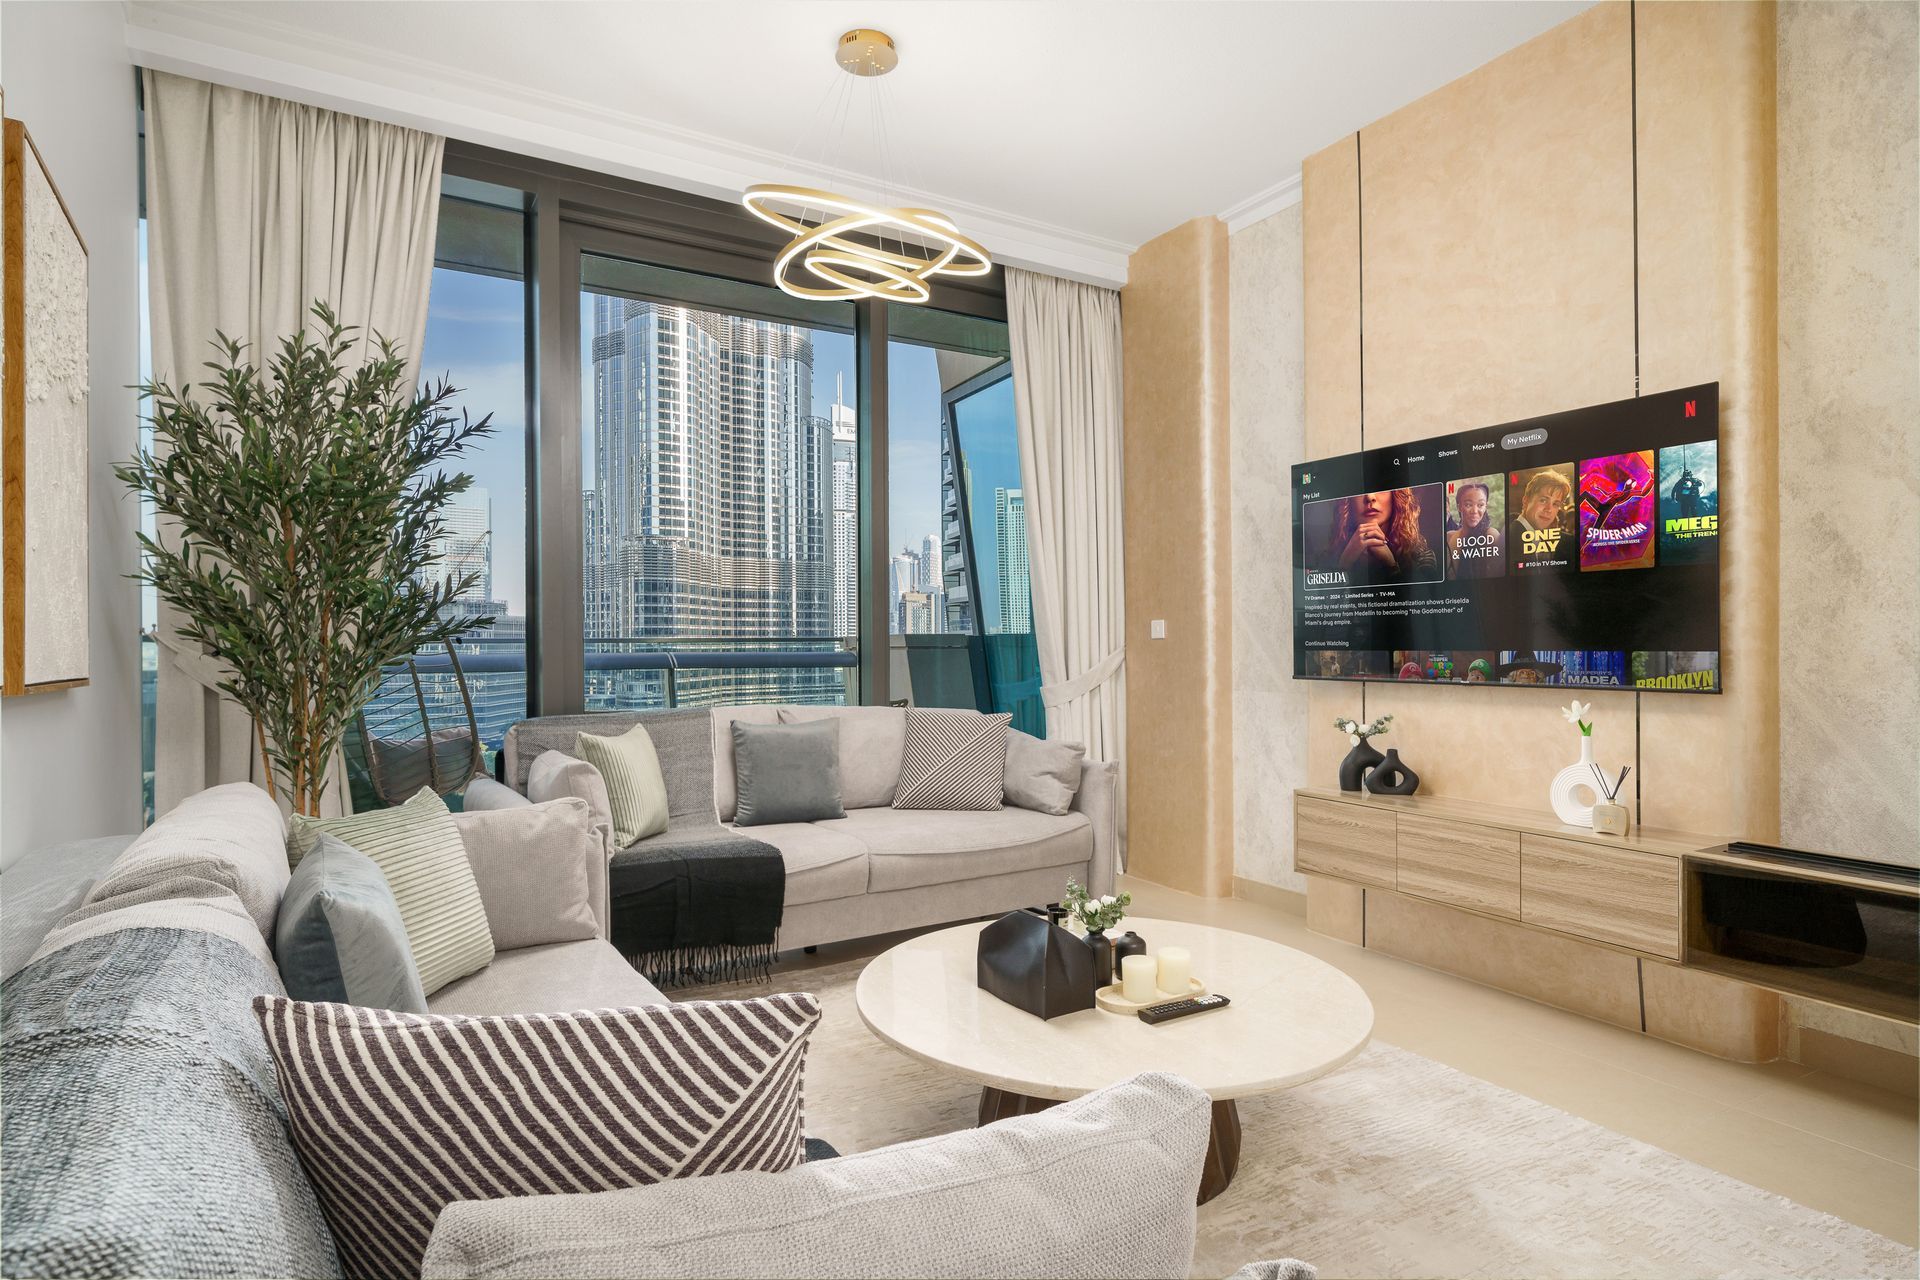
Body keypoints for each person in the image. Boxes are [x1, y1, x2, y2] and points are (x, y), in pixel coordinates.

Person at [1329, 489, 1437, 586]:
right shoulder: (1329, 557)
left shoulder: (1421, 557)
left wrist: (1391, 566)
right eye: (1359, 492)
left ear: (1395, 496)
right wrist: (1344, 564)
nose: (1370, 497)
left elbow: (1424, 598)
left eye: (1380, 489)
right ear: (1348, 502)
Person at [1444, 481, 1503, 579]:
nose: (1474, 511)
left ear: (1485, 507)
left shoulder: (1491, 535)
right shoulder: (1449, 536)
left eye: (1480, 505)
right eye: (1468, 505)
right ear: (1459, 507)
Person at [1508, 469, 1572, 558]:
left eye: (1555, 504)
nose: (1549, 509)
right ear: (1526, 501)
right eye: (1543, 500)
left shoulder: (1544, 540)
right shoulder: (1510, 539)